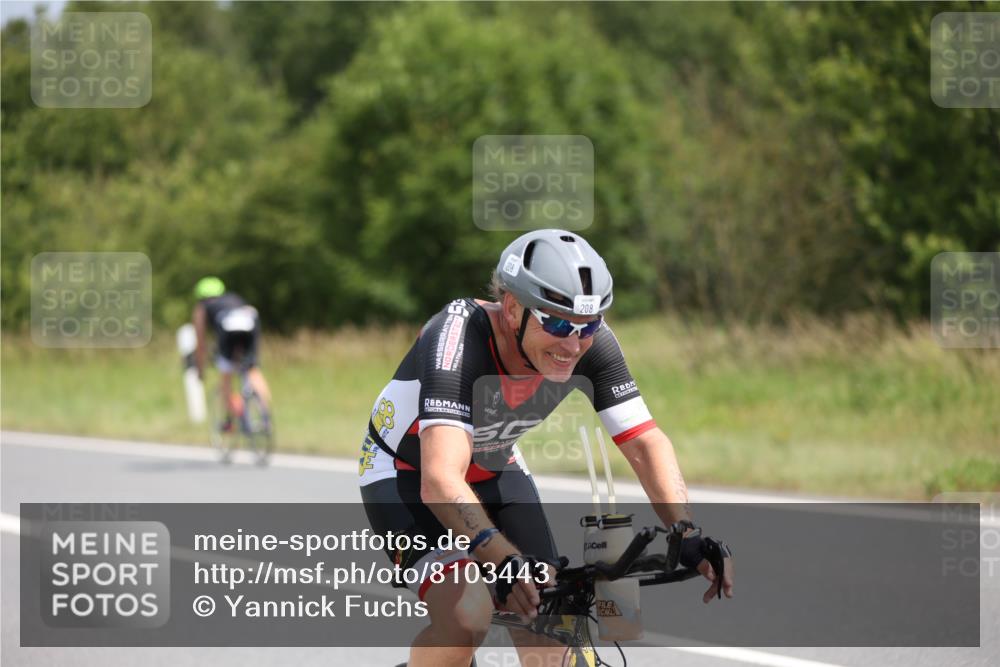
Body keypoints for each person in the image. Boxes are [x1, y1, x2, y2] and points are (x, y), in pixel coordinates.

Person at [358, 230, 733, 667]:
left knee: (553, 620)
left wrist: (686, 529)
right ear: (512, 307)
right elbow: (440, 479)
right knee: (468, 617)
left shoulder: (591, 344)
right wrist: (502, 559)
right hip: (406, 471)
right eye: (555, 323)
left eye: (587, 326)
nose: (572, 345)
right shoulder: (457, 337)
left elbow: (645, 442)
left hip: (495, 463)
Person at [191, 277, 272, 431]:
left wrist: (200, 370)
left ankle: (231, 420)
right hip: (251, 320)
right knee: (252, 369)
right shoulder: (235, 298)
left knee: (226, 374)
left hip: (227, 326)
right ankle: (265, 415)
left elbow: (200, 343)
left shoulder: (202, 307)